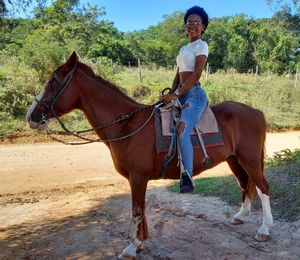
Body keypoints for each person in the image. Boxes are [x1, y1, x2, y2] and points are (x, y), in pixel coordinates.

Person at [160, 6, 210, 193]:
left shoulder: (201, 45)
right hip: (181, 92)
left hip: (194, 95)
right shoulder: (183, 48)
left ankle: (187, 176)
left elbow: (196, 74)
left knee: (182, 129)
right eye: (189, 22)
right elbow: (178, 74)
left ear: (203, 27)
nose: (192, 26)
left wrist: (178, 94)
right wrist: (170, 94)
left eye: (197, 23)